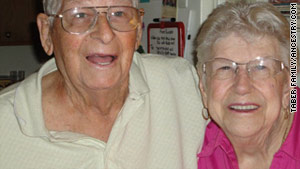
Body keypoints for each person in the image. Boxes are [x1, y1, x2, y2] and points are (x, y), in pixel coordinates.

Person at [0, 0, 206, 168]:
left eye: (119, 14)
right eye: (80, 15)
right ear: (47, 33)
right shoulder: (5, 126)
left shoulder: (184, 85)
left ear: (138, 31)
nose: (105, 34)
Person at [195, 2, 299, 169]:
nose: (242, 87)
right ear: (204, 88)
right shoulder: (190, 149)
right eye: (225, 67)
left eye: (260, 67)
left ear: (288, 84)